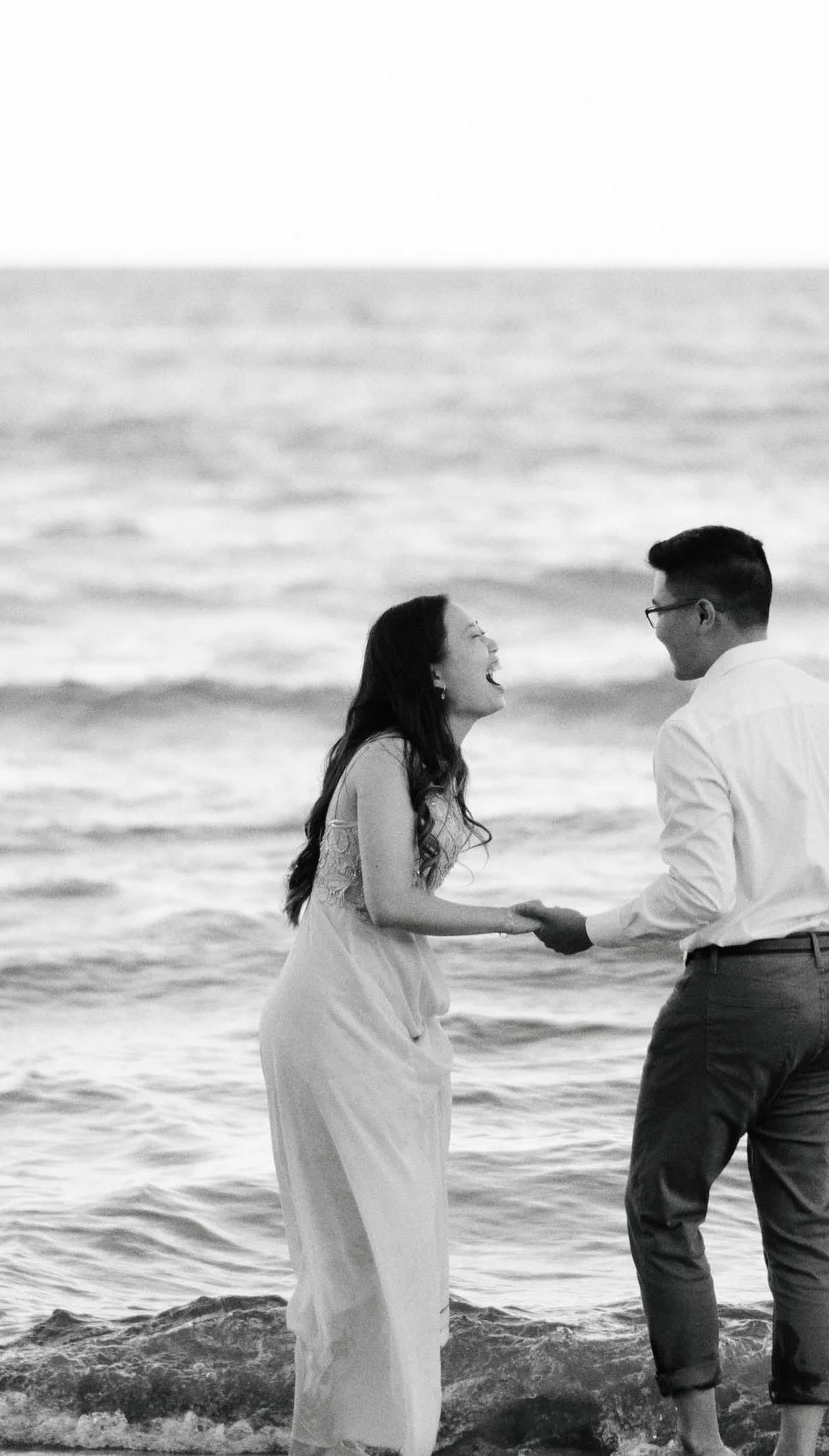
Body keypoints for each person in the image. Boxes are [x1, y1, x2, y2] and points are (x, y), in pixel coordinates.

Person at [522, 527, 829, 1456]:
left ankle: (702, 1440)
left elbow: (701, 892)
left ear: (707, 613)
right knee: (805, 1223)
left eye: (663, 613)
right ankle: (797, 1448)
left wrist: (589, 929)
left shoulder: (696, 732)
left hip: (742, 990)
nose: (658, 634)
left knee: (663, 1203)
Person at [258, 594, 540, 1456]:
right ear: (429, 669)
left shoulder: (431, 764)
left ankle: (370, 1440)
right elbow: (388, 901)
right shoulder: (386, 757)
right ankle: (373, 1442)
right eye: (475, 635)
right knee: (373, 1254)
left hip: (382, 1019)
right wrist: (509, 918)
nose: (494, 645)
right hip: (336, 1021)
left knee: (396, 1250)